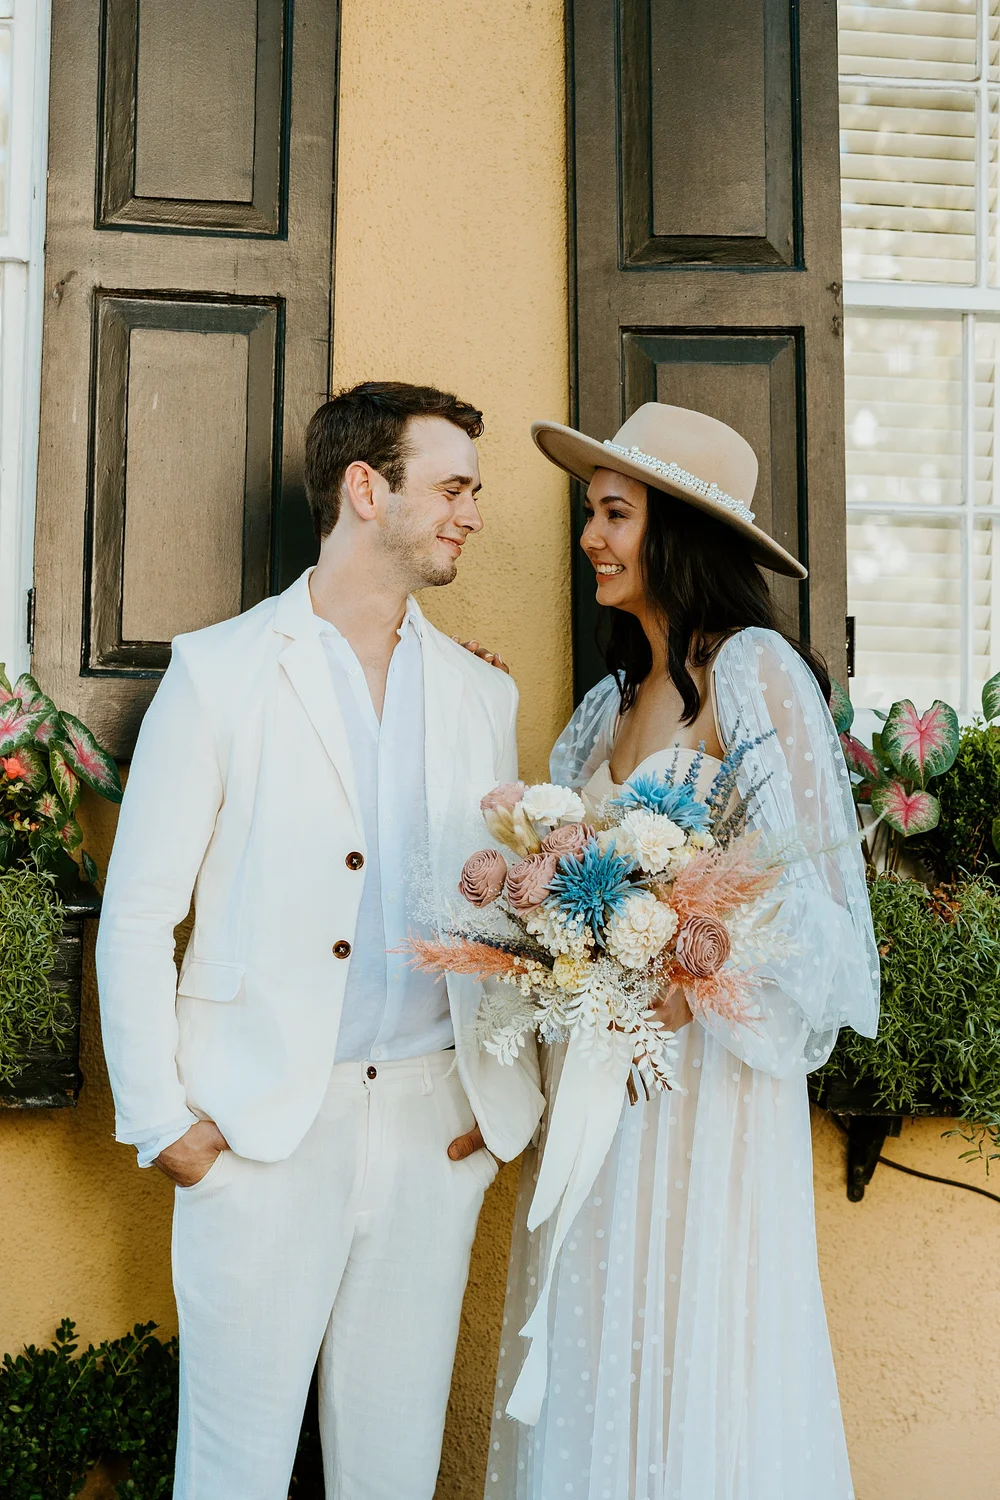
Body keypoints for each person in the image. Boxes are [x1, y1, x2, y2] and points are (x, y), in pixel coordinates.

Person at [96, 381, 544, 1500]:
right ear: (364, 488)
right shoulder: (220, 672)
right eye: (451, 487)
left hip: (432, 1128)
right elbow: (141, 912)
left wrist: (495, 1115)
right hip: (256, 1137)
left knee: (391, 1473)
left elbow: (505, 915)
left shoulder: (481, 693)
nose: (472, 516)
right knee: (231, 1473)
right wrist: (166, 1126)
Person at [486, 402, 879, 1500]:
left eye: (612, 513)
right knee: (605, 1316)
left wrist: (684, 964)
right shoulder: (607, 704)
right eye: (589, 514)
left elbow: (808, 895)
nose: (589, 540)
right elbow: (555, 868)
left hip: (703, 1087)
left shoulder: (753, 670)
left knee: (697, 1321)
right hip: (602, 1085)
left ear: (678, 533)